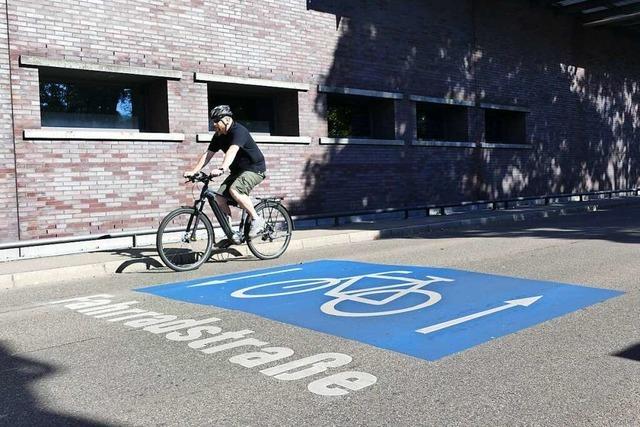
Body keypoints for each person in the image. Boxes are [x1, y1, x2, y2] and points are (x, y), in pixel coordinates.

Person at [184, 105, 266, 241]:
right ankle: (231, 235)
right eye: (212, 121)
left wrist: (222, 168)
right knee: (219, 198)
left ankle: (257, 220)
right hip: (237, 171)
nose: (214, 124)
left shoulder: (239, 131)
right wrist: (194, 171)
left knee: (235, 190)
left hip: (254, 169)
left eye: (216, 121)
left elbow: (232, 151)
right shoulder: (218, 136)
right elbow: (208, 155)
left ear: (227, 120)